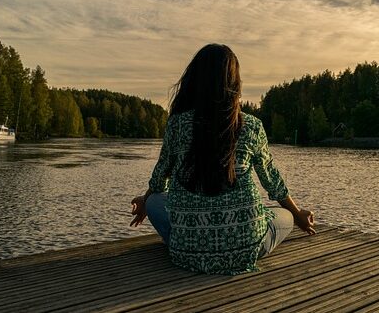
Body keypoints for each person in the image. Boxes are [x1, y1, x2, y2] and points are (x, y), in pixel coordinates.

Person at [130, 44, 315, 275]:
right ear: (234, 83)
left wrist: (145, 200)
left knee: (156, 201)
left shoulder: (177, 124)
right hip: (246, 249)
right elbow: (272, 182)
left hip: (187, 253)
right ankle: (244, 233)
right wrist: (298, 215)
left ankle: (190, 239)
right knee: (284, 215)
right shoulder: (251, 126)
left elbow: (160, 178)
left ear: (194, 81)